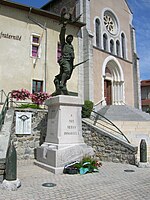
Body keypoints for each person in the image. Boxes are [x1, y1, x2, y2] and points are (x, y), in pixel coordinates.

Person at [54, 21, 75, 95]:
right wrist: (64, 27)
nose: (70, 39)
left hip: (69, 62)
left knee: (67, 75)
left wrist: (72, 65)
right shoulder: (64, 44)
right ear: (67, 39)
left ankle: (58, 81)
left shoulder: (71, 47)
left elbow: (72, 57)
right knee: (67, 70)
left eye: (71, 38)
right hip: (64, 60)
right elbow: (61, 36)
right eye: (69, 37)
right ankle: (61, 84)